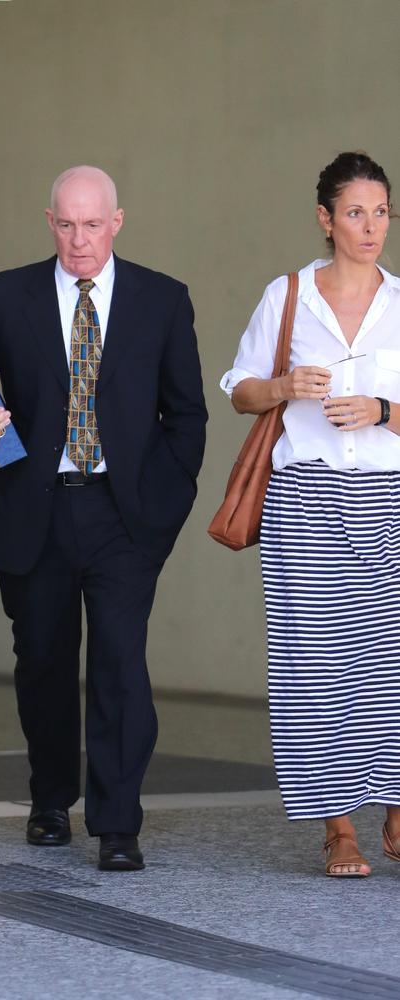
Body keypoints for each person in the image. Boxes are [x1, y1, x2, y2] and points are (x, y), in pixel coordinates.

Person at [0, 165, 206, 871]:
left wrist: (162, 508)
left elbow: (187, 415)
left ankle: (117, 824)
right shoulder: (4, 295)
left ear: (117, 221)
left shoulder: (163, 300)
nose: (79, 240)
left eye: (93, 224)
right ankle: (51, 799)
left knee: (119, 661)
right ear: (48, 220)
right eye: (66, 224)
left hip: (124, 514)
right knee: (44, 661)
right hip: (37, 507)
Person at [221, 151, 400, 877]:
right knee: (316, 664)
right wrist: (285, 384)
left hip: (389, 496)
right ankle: (338, 828)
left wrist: (384, 410)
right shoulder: (288, 295)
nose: (371, 226)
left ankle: (395, 811)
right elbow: (238, 388)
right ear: (325, 219)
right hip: (308, 497)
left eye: (381, 211)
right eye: (355, 212)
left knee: (391, 661)